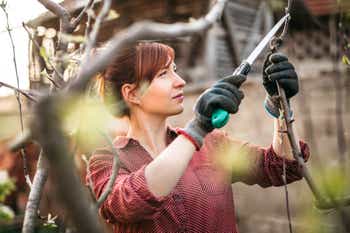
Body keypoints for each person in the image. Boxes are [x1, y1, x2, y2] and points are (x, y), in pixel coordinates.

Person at [86, 42, 310, 233]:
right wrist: (197, 128)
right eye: (164, 74)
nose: (180, 81)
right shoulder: (106, 163)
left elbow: (280, 167)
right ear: (132, 93)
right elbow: (130, 201)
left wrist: (281, 104)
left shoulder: (213, 144)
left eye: (174, 69)